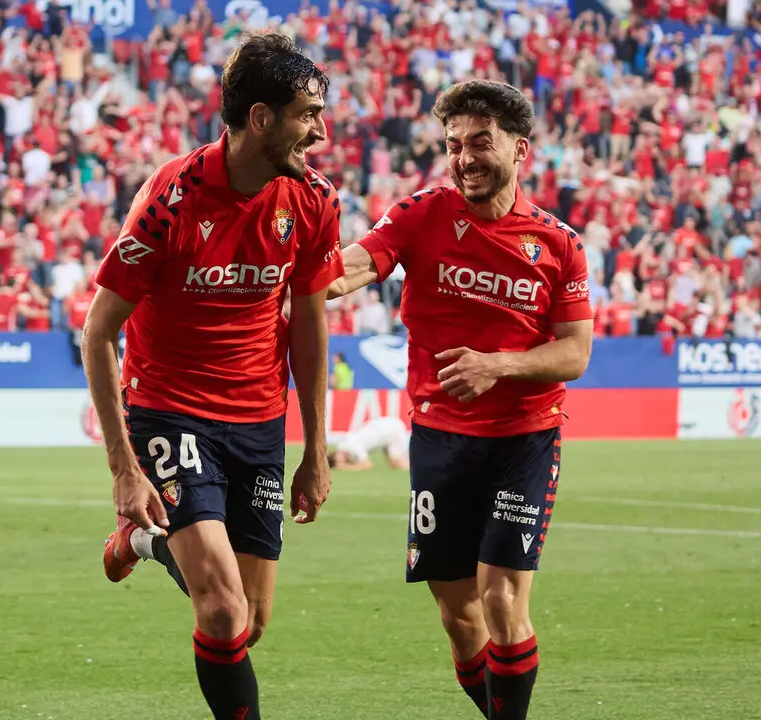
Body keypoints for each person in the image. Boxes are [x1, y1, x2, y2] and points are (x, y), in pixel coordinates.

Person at [82, 34, 344, 720]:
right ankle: (146, 520)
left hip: (258, 419)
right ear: (261, 118)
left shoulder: (314, 202)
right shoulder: (172, 200)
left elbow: (309, 328)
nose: (320, 131)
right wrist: (123, 469)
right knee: (223, 608)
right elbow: (99, 332)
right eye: (308, 114)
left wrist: (316, 448)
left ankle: (142, 540)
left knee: (249, 621)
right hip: (170, 412)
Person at [327, 80, 593, 720]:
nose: (465, 157)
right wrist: (289, 288)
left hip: (524, 438)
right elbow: (357, 265)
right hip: (440, 439)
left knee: (502, 601)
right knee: (458, 615)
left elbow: (575, 353)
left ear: (519, 149)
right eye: (454, 145)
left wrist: (498, 366)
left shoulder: (559, 244)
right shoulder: (423, 213)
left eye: (481, 142)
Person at [328, 415, 410, 471]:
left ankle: (419, 467)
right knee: (395, 465)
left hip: (392, 430)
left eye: (337, 459)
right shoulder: (346, 445)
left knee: (400, 465)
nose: (340, 461)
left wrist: (346, 467)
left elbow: (367, 465)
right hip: (388, 430)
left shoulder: (350, 444)